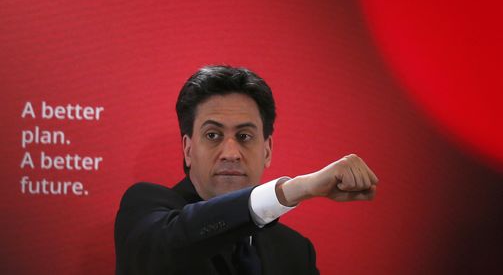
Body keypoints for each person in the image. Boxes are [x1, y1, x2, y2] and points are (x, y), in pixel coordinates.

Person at [114, 65, 379, 274]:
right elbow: (172, 245)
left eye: (244, 136)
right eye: (213, 135)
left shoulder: (296, 251)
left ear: (267, 150)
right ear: (187, 149)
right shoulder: (147, 210)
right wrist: (295, 188)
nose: (231, 153)